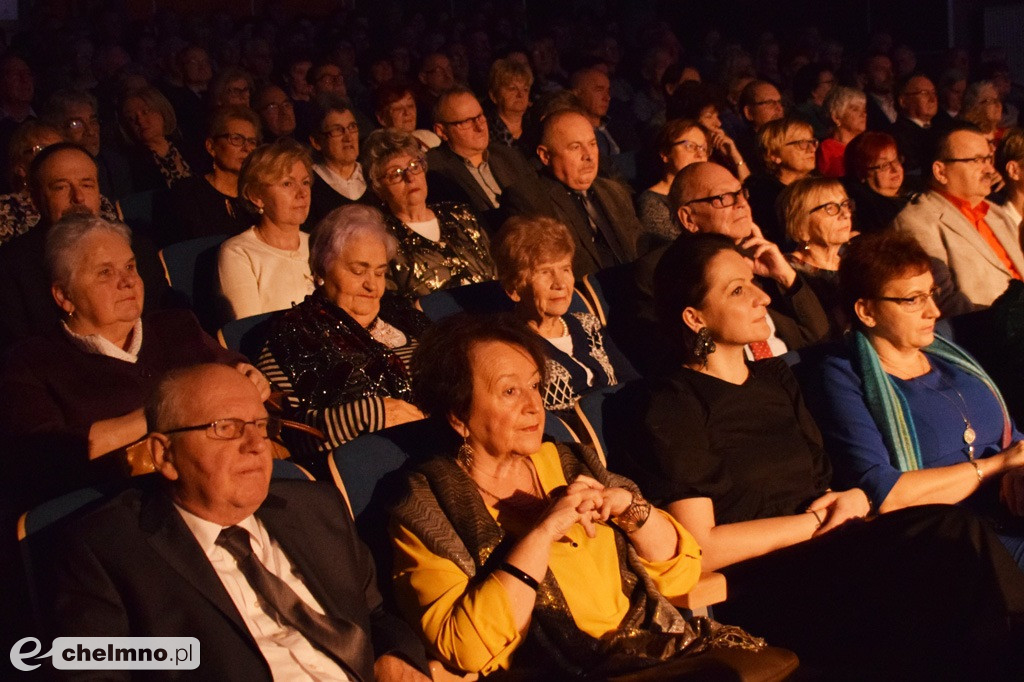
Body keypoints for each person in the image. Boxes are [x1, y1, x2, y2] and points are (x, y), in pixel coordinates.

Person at [607, 232, 1024, 678]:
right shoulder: (668, 402)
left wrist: (853, 501)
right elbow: (702, 547)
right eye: (737, 289)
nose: (761, 297)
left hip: (836, 550)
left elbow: (823, 485)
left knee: (957, 554)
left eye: (753, 282)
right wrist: (816, 523)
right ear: (695, 317)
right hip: (768, 579)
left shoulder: (775, 379)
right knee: (949, 537)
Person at [389, 313, 798, 679]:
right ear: (459, 415)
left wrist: (628, 509)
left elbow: (683, 568)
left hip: (662, 651)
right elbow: (466, 646)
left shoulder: (569, 461)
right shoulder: (426, 508)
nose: (535, 406)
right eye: (510, 392)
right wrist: (543, 531)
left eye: (535, 385)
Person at [47, 363, 430, 682]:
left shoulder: (316, 507)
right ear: (164, 455)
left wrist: (395, 658)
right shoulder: (106, 550)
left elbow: (375, 614)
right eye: (225, 428)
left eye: (261, 426)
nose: (256, 444)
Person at [0, 215, 267, 509]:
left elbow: (235, 368)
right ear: (64, 296)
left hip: (229, 483)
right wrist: (164, 412)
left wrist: (247, 374)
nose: (127, 281)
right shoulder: (29, 363)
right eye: (105, 273)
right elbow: (46, 457)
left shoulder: (177, 326)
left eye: (130, 267)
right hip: (121, 506)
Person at [797, 231, 1024, 567]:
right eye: (913, 299)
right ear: (867, 310)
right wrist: (994, 467)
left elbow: (1014, 441)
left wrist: (1016, 471)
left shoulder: (950, 358)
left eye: (931, 294)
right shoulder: (841, 374)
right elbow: (884, 491)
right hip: (950, 540)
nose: (933, 310)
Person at [257, 205, 429, 472]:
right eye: (358, 271)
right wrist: (371, 414)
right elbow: (288, 432)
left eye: (380, 272)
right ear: (321, 272)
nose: (372, 286)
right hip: (383, 472)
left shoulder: (407, 318)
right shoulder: (293, 334)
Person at [0, 143, 172, 349]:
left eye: (87, 185)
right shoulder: (12, 266)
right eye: (61, 187)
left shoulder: (136, 248)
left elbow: (162, 321)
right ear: (36, 198)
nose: (78, 197)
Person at [494, 215, 634, 414]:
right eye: (545, 272)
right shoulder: (512, 346)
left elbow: (631, 381)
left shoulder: (587, 324)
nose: (560, 283)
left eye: (565, 269)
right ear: (513, 289)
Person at [892, 126, 1024, 316]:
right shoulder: (918, 222)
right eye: (977, 160)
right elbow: (943, 301)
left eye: (988, 159)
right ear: (940, 172)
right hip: (986, 335)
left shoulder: (997, 213)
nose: (989, 169)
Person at [503, 110, 644, 274]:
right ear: (545, 156)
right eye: (575, 147)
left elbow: (641, 244)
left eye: (592, 144)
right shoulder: (529, 199)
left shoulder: (613, 191)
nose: (589, 156)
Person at [363, 128, 495, 300]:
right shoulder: (382, 240)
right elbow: (396, 309)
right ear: (378, 188)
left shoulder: (461, 215)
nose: (410, 177)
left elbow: (497, 274)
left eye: (414, 166)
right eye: (395, 174)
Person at [217, 139, 315, 321]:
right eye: (288, 184)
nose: (302, 193)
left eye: (305, 182)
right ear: (256, 196)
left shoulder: (319, 244)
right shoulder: (239, 253)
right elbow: (249, 332)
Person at [426, 87, 538, 234]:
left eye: (480, 117)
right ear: (441, 131)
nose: (479, 127)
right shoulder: (434, 170)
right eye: (466, 122)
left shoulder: (508, 156)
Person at [159, 106, 259, 246]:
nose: (246, 148)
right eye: (236, 139)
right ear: (211, 147)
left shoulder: (257, 196)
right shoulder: (187, 193)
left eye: (251, 142)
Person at [781, 177, 854, 338]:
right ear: (801, 225)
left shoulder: (856, 258)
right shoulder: (786, 272)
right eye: (830, 208)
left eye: (845, 204)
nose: (845, 214)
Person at [41, 88, 132, 200]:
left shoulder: (115, 165)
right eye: (76, 124)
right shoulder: (49, 173)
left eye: (93, 121)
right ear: (57, 130)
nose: (91, 131)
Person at [744, 117, 818, 247]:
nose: (811, 149)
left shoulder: (820, 187)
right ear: (774, 155)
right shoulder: (763, 195)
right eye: (802, 143)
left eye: (812, 142)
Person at [638, 118, 709, 246]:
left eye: (703, 148)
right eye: (690, 146)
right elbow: (673, 247)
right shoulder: (652, 202)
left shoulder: (709, 193)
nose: (700, 154)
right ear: (665, 153)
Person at [304, 93, 367, 231]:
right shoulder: (309, 185)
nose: (348, 137)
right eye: (337, 130)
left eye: (352, 127)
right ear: (316, 142)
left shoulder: (373, 175)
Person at [117, 85, 192, 191]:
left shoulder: (190, 147)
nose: (140, 121)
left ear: (162, 111)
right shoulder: (132, 164)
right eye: (131, 118)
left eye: (145, 112)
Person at [842, 131, 910, 234]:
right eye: (884, 165)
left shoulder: (915, 190)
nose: (895, 169)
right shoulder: (874, 215)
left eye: (896, 160)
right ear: (862, 173)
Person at [890, 74, 942, 186]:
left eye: (934, 93)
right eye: (924, 93)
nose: (932, 99)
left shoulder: (943, 130)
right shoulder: (895, 136)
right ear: (903, 101)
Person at [374, 79, 441, 151]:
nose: (407, 112)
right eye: (398, 108)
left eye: (410, 106)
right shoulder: (380, 151)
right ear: (382, 119)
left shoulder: (428, 138)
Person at [816, 86, 866, 178]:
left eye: (864, 109)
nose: (863, 114)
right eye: (855, 109)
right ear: (836, 117)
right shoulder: (828, 149)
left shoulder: (866, 145)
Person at [486, 57, 533, 149]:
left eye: (525, 89)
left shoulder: (535, 128)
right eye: (512, 88)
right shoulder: (485, 131)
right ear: (494, 96)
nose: (520, 94)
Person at [860, 53, 897, 130]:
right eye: (881, 70)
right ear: (865, 77)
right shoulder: (862, 106)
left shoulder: (901, 100)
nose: (890, 74)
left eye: (890, 69)